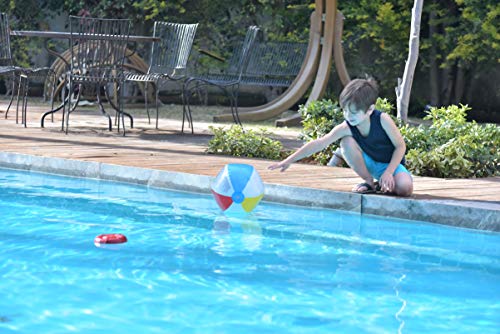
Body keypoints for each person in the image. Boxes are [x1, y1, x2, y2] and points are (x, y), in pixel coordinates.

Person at [268, 78, 413, 196]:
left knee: (405, 188)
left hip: (391, 165)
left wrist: (388, 172)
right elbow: (320, 143)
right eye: (345, 111)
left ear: (369, 110)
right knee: (346, 142)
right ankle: (369, 183)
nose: (348, 117)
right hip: (369, 164)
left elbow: (401, 147)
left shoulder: (382, 119)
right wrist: (288, 160)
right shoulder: (347, 126)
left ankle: (383, 183)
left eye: (354, 112)